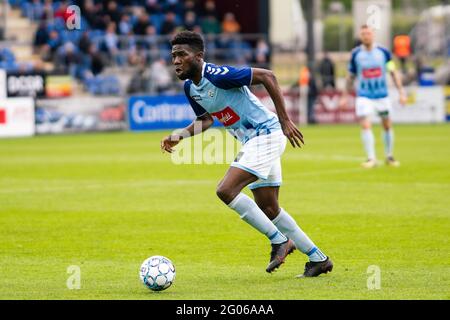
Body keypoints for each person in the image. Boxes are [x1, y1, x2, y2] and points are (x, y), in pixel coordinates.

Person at [161, 31, 333, 277]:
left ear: (198, 56)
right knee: (269, 208)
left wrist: (285, 120)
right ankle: (318, 259)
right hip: (253, 141)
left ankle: (279, 241)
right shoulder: (191, 88)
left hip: (267, 135)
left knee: (225, 190)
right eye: (173, 56)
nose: (176, 61)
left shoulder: (217, 76)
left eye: (182, 55)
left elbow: (268, 76)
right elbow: (206, 120)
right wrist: (179, 136)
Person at [340, 25, 407, 168]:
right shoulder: (356, 54)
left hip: (382, 95)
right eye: (363, 34)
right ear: (360, 36)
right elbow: (350, 76)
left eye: (368, 33)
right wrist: (344, 96)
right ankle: (371, 158)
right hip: (364, 95)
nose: (366, 36)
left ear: (373, 35)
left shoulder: (383, 52)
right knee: (365, 124)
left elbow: (393, 72)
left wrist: (401, 92)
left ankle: (389, 156)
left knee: (387, 125)